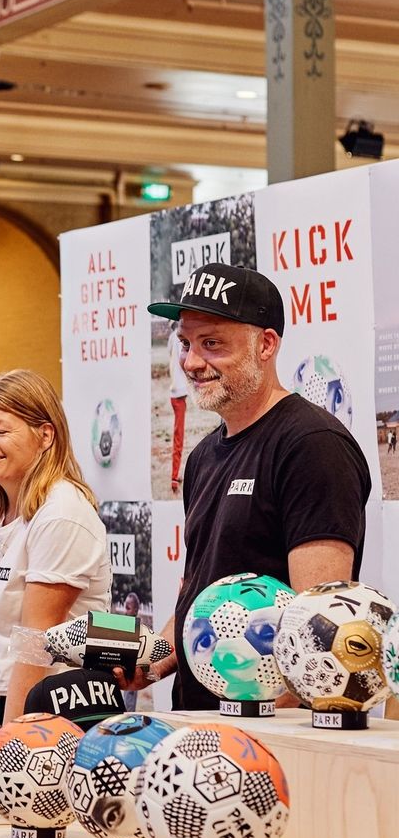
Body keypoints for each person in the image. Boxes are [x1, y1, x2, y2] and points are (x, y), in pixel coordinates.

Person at [122, 263, 372, 709]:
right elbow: (196, 597)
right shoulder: (202, 457)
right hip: (199, 723)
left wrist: (276, 731)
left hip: (265, 732)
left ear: (266, 344)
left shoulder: (312, 445)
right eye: (186, 344)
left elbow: (318, 628)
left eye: (212, 343)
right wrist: (150, 663)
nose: (191, 362)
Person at [0, 370, 111, 725]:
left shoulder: (61, 512)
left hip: (57, 714)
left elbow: (37, 639)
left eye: (1, 431)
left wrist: (9, 737)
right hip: (6, 705)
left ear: (45, 435)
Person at [168, 321, 189, 494]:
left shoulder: (171, 338)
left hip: (175, 390)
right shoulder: (178, 339)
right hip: (179, 391)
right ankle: (174, 477)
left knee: (178, 435)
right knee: (178, 437)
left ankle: (176, 475)